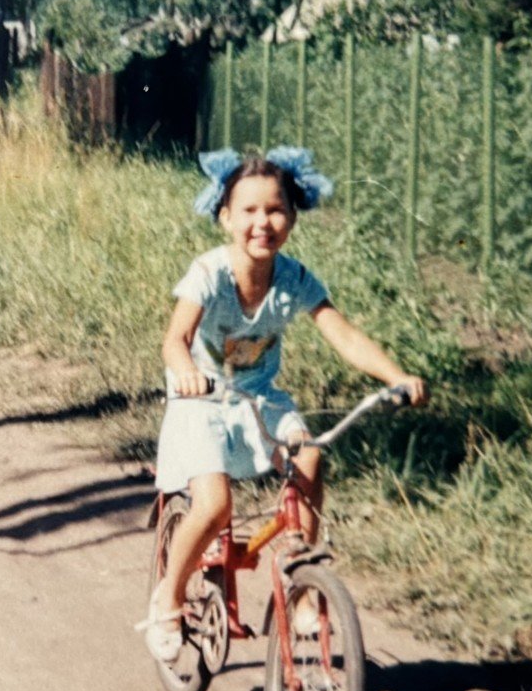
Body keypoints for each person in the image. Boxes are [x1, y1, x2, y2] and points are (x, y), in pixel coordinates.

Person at [145, 147, 424, 662]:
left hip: (259, 399)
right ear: (225, 217)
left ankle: (299, 573)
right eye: (248, 211)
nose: (262, 223)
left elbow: (343, 334)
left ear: (292, 218)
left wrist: (395, 376)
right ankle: (168, 595)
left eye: (275, 210)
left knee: (311, 455)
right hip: (201, 400)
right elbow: (174, 338)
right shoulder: (209, 272)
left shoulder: (294, 279)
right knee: (214, 505)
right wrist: (184, 370)